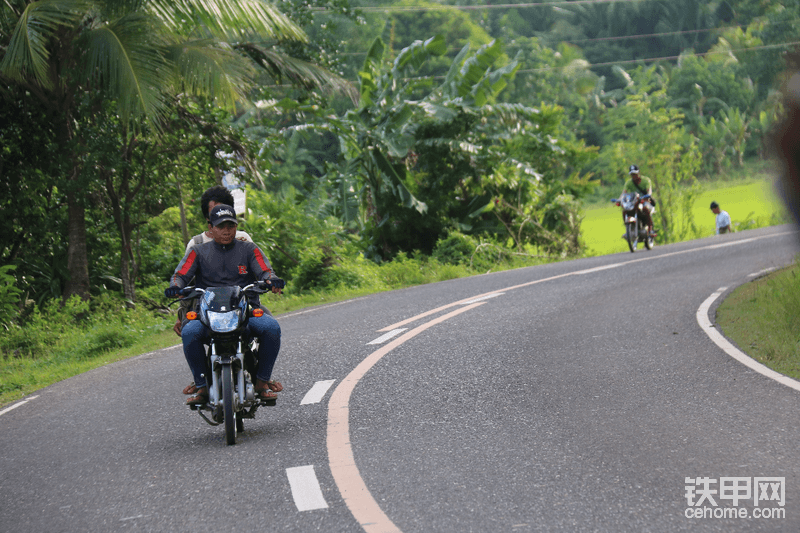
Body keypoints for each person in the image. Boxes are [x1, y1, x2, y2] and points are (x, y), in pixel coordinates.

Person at [166, 204, 284, 405]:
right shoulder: (197, 251)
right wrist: (175, 286)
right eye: (221, 226)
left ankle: (262, 382)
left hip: (244, 312)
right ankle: (202, 387)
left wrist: (271, 280)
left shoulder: (249, 249)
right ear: (210, 227)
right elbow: (180, 275)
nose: (227, 231)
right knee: (189, 332)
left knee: (271, 328)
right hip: (207, 316)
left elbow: (265, 270)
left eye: (231, 225)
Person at [173, 185, 253, 337]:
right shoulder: (196, 244)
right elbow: (187, 283)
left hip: (240, 307)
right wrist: (180, 315)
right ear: (207, 217)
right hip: (207, 311)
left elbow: (256, 272)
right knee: (190, 334)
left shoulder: (243, 239)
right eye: (214, 212)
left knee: (269, 327)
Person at [619, 164, 656, 235]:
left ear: (638, 173)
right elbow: (624, 193)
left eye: (635, 174)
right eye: (632, 174)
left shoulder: (646, 180)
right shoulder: (629, 183)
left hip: (645, 201)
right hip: (634, 202)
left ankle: (650, 228)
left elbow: (649, 191)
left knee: (645, 208)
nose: (634, 176)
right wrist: (620, 200)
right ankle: (628, 230)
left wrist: (648, 195)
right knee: (625, 211)